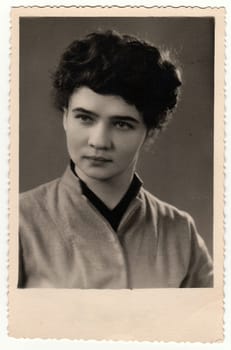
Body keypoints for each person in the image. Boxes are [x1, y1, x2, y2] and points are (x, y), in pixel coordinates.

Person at [18, 30, 213, 288]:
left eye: (122, 124)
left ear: (150, 132)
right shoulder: (17, 221)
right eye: (85, 118)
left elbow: (210, 323)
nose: (98, 141)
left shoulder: (180, 233)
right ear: (66, 117)